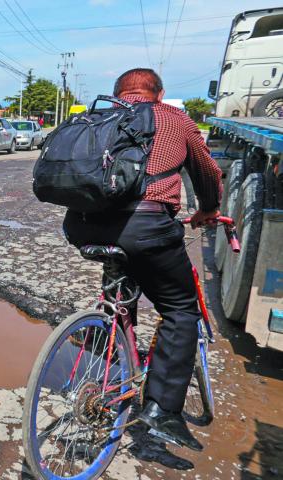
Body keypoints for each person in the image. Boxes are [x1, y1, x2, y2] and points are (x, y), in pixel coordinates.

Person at [61, 68, 222, 451]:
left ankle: (113, 346)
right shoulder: (174, 119)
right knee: (182, 310)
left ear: (117, 93)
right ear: (159, 93)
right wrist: (209, 209)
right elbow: (206, 173)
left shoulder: (98, 117)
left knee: (121, 282)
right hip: (147, 227)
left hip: (82, 227)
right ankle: (163, 410)